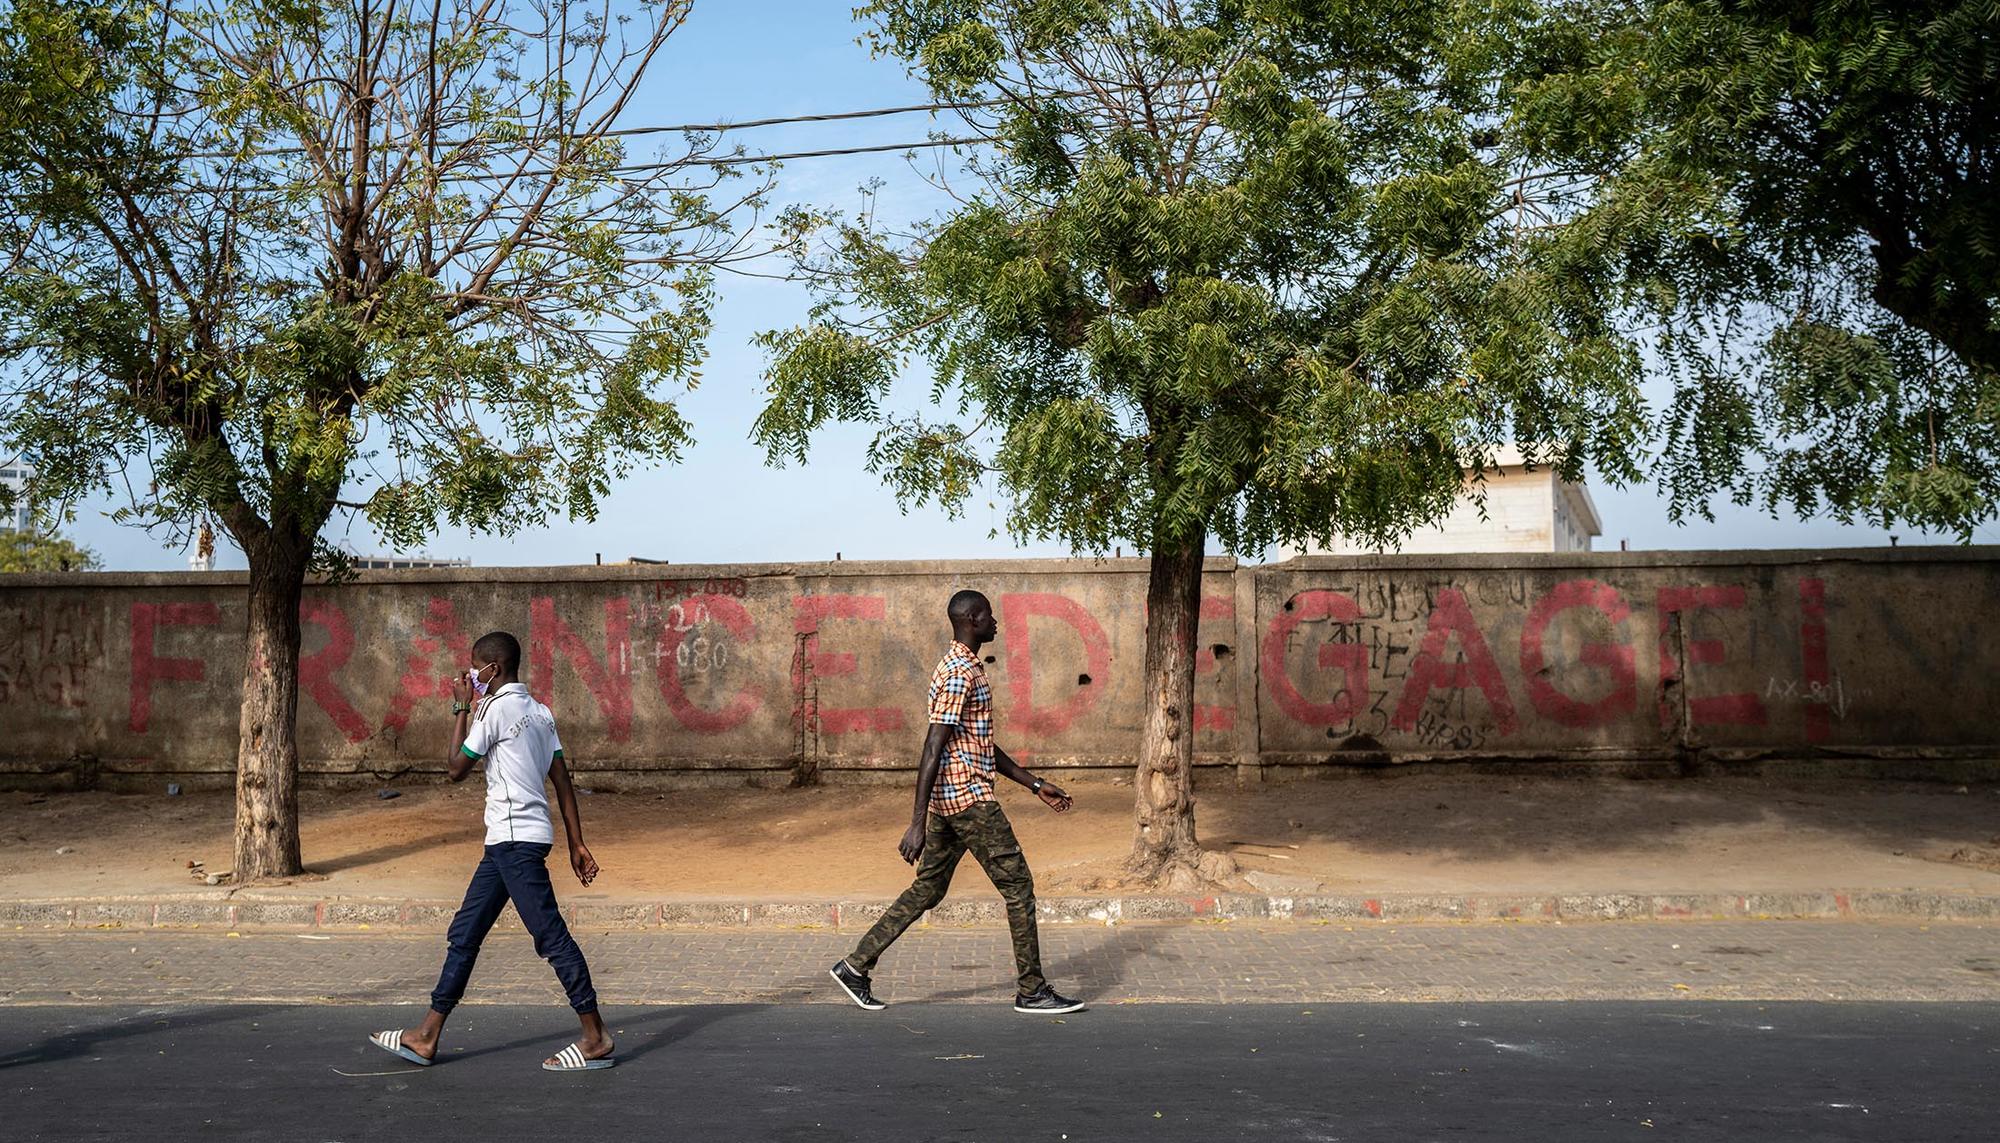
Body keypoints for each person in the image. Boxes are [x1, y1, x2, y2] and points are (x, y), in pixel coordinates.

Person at [367, 630, 615, 1072]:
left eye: (474, 667)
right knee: (465, 934)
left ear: (493, 669)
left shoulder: (495, 710)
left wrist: (461, 708)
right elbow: (562, 781)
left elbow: (455, 769)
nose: (470, 675)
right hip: (511, 842)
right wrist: (576, 842)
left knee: (551, 937)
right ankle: (427, 1035)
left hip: (514, 843)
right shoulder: (541, 713)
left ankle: (595, 1036)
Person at [829, 590, 1086, 1014]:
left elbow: (978, 743)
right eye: (988, 615)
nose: (996, 621)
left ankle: (855, 967)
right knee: (1018, 887)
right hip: (969, 802)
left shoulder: (967, 667)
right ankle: (1032, 990)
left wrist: (1034, 784)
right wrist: (915, 822)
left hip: (953, 802)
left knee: (928, 888)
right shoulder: (957, 673)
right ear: (971, 618)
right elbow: (933, 747)